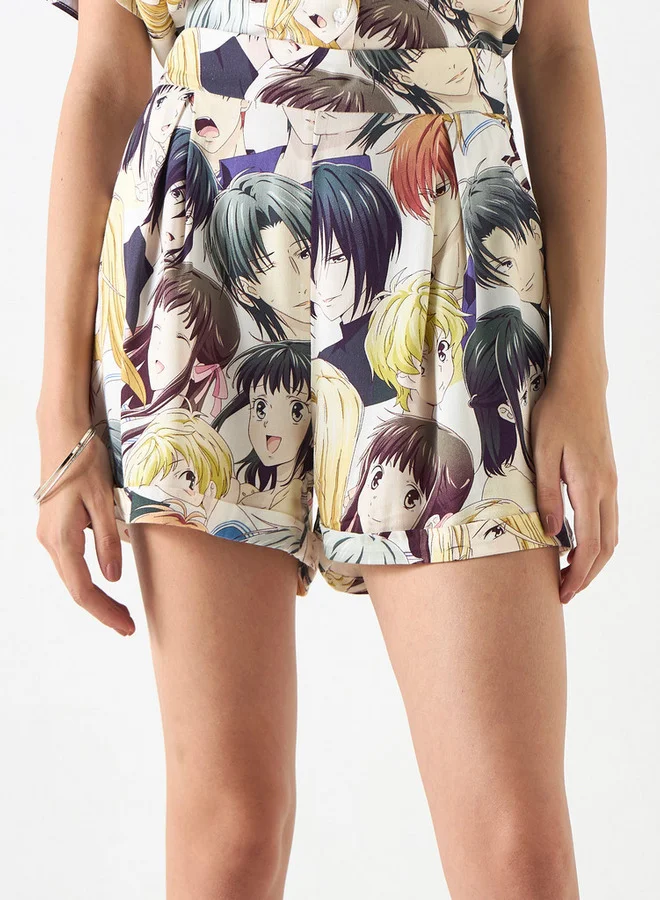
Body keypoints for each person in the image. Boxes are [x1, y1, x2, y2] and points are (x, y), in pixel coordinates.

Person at [36, 0, 617, 897]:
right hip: (206, 245)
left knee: (516, 851)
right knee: (228, 832)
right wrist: (58, 409)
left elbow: (560, 51)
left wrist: (583, 373)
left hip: (447, 245)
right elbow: (106, 73)